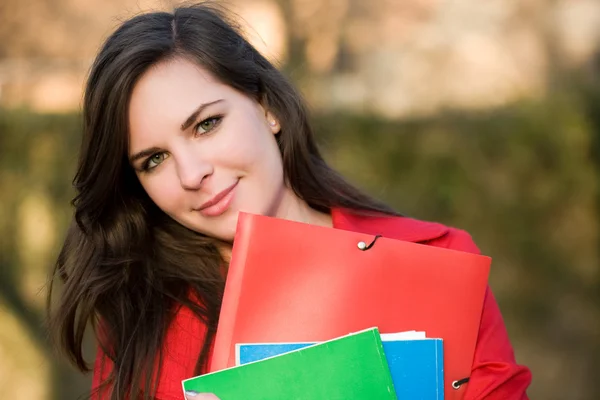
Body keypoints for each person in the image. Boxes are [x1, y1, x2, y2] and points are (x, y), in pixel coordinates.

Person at [47, 3, 532, 400]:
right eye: (154, 160)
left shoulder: (437, 262)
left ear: (268, 108)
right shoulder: (140, 317)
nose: (192, 174)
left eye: (206, 124)